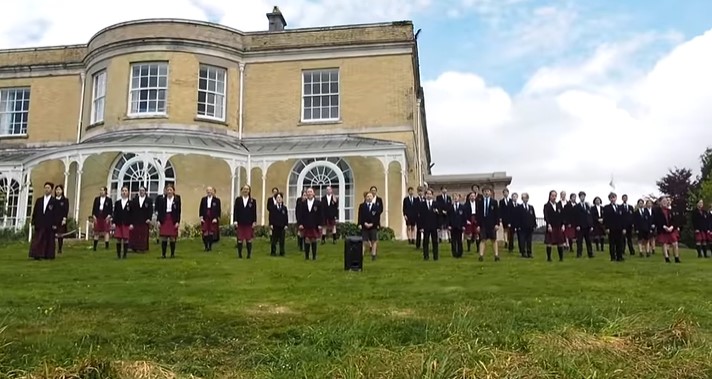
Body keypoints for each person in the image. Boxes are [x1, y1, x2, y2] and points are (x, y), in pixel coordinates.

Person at [29, 182, 59, 260]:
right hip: (40, 222)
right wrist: (33, 221)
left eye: (48, 188)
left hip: (50, 223)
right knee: (38, 239)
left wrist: (55, 224)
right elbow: (35, 212)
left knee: (49, 239)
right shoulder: (39, 200)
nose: (46, 189)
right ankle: (37, 254)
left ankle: (48, 255)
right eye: (45, 188)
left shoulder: (54, 201)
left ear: (51, 190)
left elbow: (56, 213)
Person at [156, 183, 181, 258]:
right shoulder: (162, 200)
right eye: (168, 190)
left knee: (172, 237)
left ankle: (172, 254)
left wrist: (177, 221)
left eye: (171, 190)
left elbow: (179, 211)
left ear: (173, 191)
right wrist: (159, 221)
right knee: (164, 237)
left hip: (172, 219)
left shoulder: (177, 199)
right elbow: (160, 211)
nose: (169, 191)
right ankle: (163, 254)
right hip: (164, 218)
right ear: (166, 191)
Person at [297, 187, 323, 260]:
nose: (309, 193)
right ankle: (307, 257)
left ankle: (314, 256)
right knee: (307, 239)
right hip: (306, 224)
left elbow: (321, 214)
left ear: (313, 193)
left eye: (310, 192)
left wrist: (320, 224)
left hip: (315, 224)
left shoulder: (318, 203)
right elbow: (300, 214)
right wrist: (300, 224)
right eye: (308, 192)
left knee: (314, 239)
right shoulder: (303, 203)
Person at [476, 187, 500, 261]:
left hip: (492, 224)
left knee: (494, 239)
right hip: (483, 224)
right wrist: (478, 225)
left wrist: (497, 224)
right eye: (485, 191)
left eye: (488, 191)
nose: (486, 193)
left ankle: (496, 255)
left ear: (490, 192)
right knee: (482, 239)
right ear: (483, 193)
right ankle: (481, 255)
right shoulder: (480, 202)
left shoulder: (494, 202)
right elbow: (478, 214)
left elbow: (497, 214)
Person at [654, 196, 681, 263]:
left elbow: (674, 220)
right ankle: (666, 258)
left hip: (671, 229)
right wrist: (664, 227)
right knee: (664, 244)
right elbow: (657, 220)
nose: (665, 202)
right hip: (663, 229)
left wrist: (672, 227)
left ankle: (676, 258)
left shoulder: (670, 211)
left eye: (666, 201)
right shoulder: (657, 211)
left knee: (675, 243)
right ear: (660, 202)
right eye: (663, 201)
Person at [233, 184, 257, 259]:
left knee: (248, 239)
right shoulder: (238, 200)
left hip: (249, 223)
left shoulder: (253, 201)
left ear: (249, 191)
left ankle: (248, 254)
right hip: (240, 222)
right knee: (240, 239)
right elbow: (235, 211)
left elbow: (254, 212)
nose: (245, 190)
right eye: (244, 189)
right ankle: (240, 254)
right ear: (242, 190)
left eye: (247, 189)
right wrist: (235, 220)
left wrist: (254, 221)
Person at [543, 190, 566, 262]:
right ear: (549, 196)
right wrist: (549, 225)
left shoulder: (558, 205)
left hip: (558, 226)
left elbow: (562, 215)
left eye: (555, 196)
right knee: (549, 242)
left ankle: (561, 258)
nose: (554, 197)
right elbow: (546, 216)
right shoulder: (546, 206)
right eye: (552, 195)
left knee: (560, 242)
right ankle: (549, 258)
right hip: (551, 226)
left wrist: (563, 225)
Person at [603, 192, 625, 262]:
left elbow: (622, 218)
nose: (613, 199)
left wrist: (623, 228)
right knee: (612, 243)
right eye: (611, 198)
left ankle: (620, 256)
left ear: (616, 198)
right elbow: (605, 218)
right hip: (611, 228)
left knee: (620, 243)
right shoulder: (606, 208)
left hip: (619, 228)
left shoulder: (620, 207)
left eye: (614, 197)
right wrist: (607, 228)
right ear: (609, 199)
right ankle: (613, 257)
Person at [358, 191, 381, 260]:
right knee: (364, 241)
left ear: (373, 197)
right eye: (367, 196)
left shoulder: (376, 206)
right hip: (364, 226)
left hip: (373, 226)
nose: (369, 198)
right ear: (365, 197)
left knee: (374, 240)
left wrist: (373, 224)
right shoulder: (362, 206)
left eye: (370, 196)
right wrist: (361, 223)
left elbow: (377, 217)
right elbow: (360, 215)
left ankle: (373, 255)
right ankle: (361, 255)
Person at [129, 186, 152, 253]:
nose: (141, 192)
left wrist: (149, 218)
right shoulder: (135, 199)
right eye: (140, 190)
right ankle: (134, 247)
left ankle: (143, 247)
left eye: (143, 190)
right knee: (135, 233)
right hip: (136, 219)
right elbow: (132, 210)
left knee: (143, 234)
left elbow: (150, 210)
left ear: (145, 191)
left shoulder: (149, 200)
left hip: (145, 219)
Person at [418, 188, 440, 260]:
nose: (428, 195)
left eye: (430, 194)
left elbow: (439, 216)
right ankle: (426, 256)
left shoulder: (436, 204)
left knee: (435, 242)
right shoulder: (422, 204)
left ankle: (435, 256)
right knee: (425, 241)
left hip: (434, 226)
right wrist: (421, 227)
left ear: (432, 195)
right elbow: (420, 217)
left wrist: (438, 226)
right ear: (425, 195)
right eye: (427, 194)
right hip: (426, 226)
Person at [199, 186, 222, 252]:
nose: (209, 191)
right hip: (205, 217)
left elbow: (218, 210)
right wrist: (201, 217)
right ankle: (206, 246)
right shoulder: (203, 199)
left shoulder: (217, 200)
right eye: (208, 190)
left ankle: (210, 246)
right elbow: (201, 208)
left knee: (211, 232)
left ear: (212, 191)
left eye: (210, 190)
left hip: (213, 217)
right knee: (205, 232)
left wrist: (216, 218)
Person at [112, 186, 132, 259]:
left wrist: (131, 224)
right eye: (123, 190)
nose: (124, 192)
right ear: (121, 192)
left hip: (127, 223)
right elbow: (115, 213)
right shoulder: (117, 203)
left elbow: (132, 214)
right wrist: (114, 222)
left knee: (126, 239)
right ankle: (118, 255)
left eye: (125, 191)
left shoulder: (131, 203)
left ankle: (125, 255)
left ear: (128, 192)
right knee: (118, 238)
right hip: (118, 222)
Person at [514, 192, 536, 258]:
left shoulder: (531, 207)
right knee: (522, 240)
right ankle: (523, 252)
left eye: (526, 198)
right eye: (523, 198)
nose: (525, 199)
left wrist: (534, 224)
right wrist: (517, 226)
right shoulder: (519, 207)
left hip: (529, 227)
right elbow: (517, 217)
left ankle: (529, 252)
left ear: (528, 199)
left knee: (529, 240)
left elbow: (533, 217)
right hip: (521, 227)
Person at [91, 187, 113, 251]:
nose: (101, 192)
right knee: (96, 231)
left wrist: (109, 216)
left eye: (102, 190)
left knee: (106, 231)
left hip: (105, 216)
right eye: (100, 190)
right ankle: (94, 247)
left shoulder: (109, 200)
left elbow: (110, 209)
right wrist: (94, 216)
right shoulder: (97, 199)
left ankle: (106, 246)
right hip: (98, 215)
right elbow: (94, 208)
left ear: (105, 192)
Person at [574, 191, 594, 258]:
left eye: (583, 196)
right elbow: (575, 217)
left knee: (588, 241)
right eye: (581, 196)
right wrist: (577, 225)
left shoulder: (588, 206)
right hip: (580, 226)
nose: (582, 197)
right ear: (579, 197)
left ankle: (590, 253)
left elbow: (590, 216)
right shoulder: (577, 206)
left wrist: (591, 225)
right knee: (579, 241)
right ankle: (579, 254)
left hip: (587, 226)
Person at [448, 193, 466, 258]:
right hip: (452, 226)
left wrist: (464, 225)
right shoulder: (450, 207)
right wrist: (449, 225)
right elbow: (448, 217)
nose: (455, 198)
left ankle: (460, 253)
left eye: (457, 197)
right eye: (454, 197)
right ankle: (454, 253)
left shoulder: (462, 207)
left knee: (459, 240)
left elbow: (464, 217)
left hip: (459, 226)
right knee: (453, 240)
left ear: (459, 198)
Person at [53, 184, 69, 254]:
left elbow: (66, 210)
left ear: (62, 191)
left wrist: (64, 219)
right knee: (52, 234)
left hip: (61, 219)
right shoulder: (53, 200)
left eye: (59, 190)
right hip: (53, 219)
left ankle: (60, 248)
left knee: (60, 234)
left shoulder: (65, 200)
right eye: (57, 190)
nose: (58, 191)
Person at [499, 188, 515, 253]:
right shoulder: (501, 201)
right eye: (504, 192)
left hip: (511, 218)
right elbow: (500, 210)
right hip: (504, 218)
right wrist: (500, 217)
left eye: (506, 192)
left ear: (508, 193)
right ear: (503, 194)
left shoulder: (511, 201)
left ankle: (510, 242)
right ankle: (506, 241)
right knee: (505, 230)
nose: (505, 193)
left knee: (510, 231)